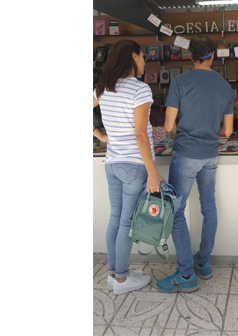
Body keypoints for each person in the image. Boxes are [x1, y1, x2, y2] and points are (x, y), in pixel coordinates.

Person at [156, 35, 234, 293]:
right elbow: (229, 131)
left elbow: (168, 126)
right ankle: (203, 263)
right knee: (208, 207)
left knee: (176, 212)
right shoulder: (224, 86)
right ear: (213, 56)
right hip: (211, 154)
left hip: (186, 153)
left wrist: (186, 125)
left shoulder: (180, 82)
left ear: (190, 56)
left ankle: (186, 274)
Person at [93, 39, 159, 295]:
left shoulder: (103, 88)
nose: (145, 62)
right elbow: (141, 135)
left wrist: (100, 136)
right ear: (134, 56)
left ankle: (114, 273)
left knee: (116, 218)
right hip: (133, 164)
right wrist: (152, 171)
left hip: (113, 162)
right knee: (127, 222)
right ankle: (121, 280)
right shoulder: (139, 90)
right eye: (143, 57)